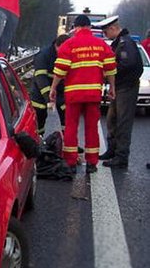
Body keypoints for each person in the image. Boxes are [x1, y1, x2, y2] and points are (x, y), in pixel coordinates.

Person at [49, 15, 116, 174]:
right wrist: (112, 87)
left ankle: (71, 161)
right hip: (93, 94)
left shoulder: (69, 45)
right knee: (92, 127)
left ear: (76, 27)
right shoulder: (101, 46)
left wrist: (53, 88)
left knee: (71, 126)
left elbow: (60, 70)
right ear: (89, 27)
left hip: (73, 94)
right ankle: (92, 163)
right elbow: (111, 68)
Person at [95, 16, 144, 169]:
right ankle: (113, 150)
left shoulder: (125, 43)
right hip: (120, 87)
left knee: (123, 122)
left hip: (126, 88)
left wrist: (110, 73)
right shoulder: (121, 43)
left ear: (113, 28)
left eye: (105, 32)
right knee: (112, 119)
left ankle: (121, 157)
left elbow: (127, 64)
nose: (104, 35)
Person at [30, 34, 70, 135]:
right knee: (40, 114)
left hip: (61, 89)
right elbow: (41, 78)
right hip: (41, 90)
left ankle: (69, 141)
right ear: (58, 45)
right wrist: (48, 98)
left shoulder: (66, 55)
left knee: (67, 114)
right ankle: (39, 139)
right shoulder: (43, 55)